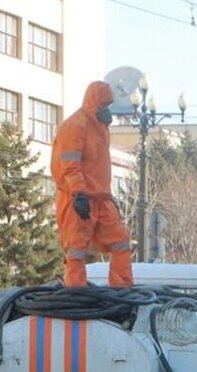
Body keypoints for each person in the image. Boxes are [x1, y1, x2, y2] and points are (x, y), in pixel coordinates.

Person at [51, 81, 134, 288]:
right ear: (94, 103)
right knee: (76, 248)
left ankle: (121, 287)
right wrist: (78, 193)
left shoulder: (100, 128)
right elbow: (70, 164)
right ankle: (76, 291)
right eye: (105, 105)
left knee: (121, 241)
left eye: (109, 105)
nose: (108, 110)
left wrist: (107, 195)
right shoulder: (75, 125)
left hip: (100, 197)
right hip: (77, 197)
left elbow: (97, 166)